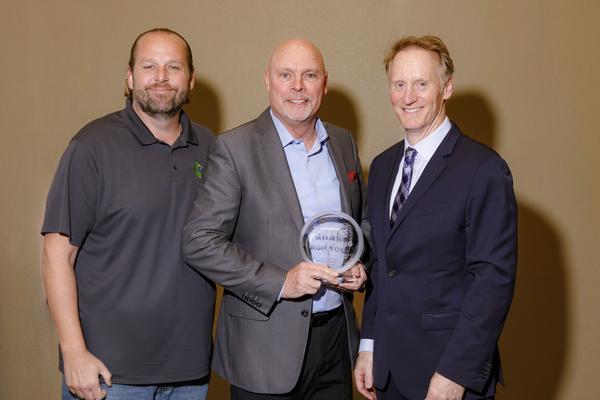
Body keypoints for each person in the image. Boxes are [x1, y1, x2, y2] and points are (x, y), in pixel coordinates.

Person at [182, 38, 369, 400]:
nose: (297, 86)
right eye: (286, 75)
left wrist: (361, 262)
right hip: (264, 351)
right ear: (267, 80)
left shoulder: (343, 143)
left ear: (324, 83)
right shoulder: (234, 149)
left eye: (309, 75)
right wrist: (281, 281)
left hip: (336, 341)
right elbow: (198, 240)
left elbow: (361, 223)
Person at [41, 28, 215, 400]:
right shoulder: (92, 146)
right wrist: (73, 352)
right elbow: (56, 254)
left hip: (190, 371)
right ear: (130, 76)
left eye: (174, 66)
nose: (161, 78)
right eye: (149, 66)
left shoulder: (212, 149)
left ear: (191, 78)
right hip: (108, 373)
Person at [354, 35, 517, 400]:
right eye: (399, 84)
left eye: (421, 84)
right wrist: (369, 345)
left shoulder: (483, 169)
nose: (408, 96)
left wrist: (455, 373)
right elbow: (384, 264)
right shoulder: (381, 167)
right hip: (388, 372)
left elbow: (492, 281)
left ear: (447, 87)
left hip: (446, 375)